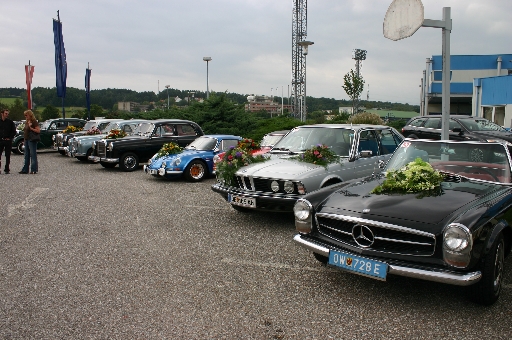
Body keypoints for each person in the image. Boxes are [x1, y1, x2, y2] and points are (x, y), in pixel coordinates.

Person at [20, 110, 40, 174]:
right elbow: (25, 132)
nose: (25, 116)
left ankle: (34, 169)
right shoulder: (26, 122)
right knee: (26, 155)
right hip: (26, 139)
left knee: (33, 154)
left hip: (32, 139)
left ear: (30, 115)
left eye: (26, 115)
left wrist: (31, 128)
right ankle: (25, 169)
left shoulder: (34, 122)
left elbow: (38, 131)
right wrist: (24, 140)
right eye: (25, 115)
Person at [0, 109, 17, 174]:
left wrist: (10, 138)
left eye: (7, 114)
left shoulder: (10, 122)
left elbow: (14, 131)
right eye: (6, 113)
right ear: (2, 114)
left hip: (8, 141)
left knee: (8, 155)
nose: (7, 115)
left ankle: (7, 169)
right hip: (0, 140)